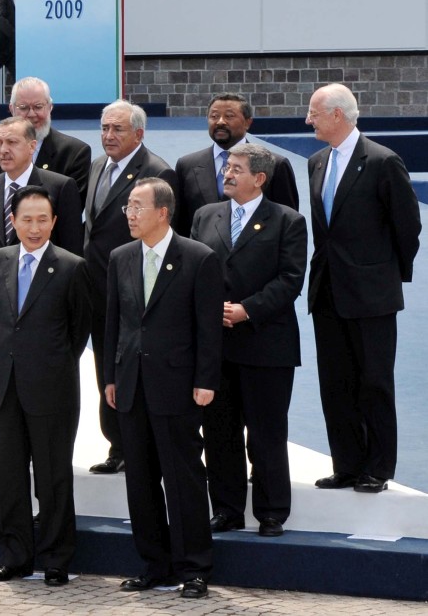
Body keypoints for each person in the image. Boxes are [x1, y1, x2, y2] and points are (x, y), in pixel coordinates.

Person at [105, 178, 221, 599]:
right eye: (127, 207)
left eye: (137, 206)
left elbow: (208, 328)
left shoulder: (198, 258)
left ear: (163, 213)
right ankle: (155, 565)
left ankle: (195, 569)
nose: (130, 214)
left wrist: (205, 380)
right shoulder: (120, 257)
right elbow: (114, 322)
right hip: (131, 384)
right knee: (140, 480)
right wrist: (110, 376)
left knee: (183, 479)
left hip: (177, 386)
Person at [305, 83, 421, 494]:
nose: (308, 119)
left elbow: (408, 226)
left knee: (374, 382)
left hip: (372, 294)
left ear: (337, 115)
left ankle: (378, 467)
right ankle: (347, 464)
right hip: (327, 290)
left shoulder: (382, 161)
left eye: (314, 113)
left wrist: (384, 275)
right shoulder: (317, 162)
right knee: (335, 383)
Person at [0, 186, 91, 586]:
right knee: (9, 476)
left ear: (54, 222)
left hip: (52, 388)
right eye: (26, 219)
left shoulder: (72, 267)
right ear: (13, 221)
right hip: (5, 387)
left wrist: (48, 364)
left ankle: (56, 559)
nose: (35, 227)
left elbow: (78, 330)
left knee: (52, 477)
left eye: (43, 219)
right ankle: (15, 557)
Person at [191, 144, 306, 537]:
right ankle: (227, 509)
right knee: (219, 431)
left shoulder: (288, 221)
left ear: (259, 178)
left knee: (266, 433)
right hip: (217, 346)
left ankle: (272, 512)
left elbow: (290, 280)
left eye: (236, 169)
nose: (227, 174)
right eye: (227, 167)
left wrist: (247, 310)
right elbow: (194, 271)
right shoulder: (206, 215)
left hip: (266, 345)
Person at [0, 117, 83, 473]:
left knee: (44, 411)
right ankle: (5, 462)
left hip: (46, 324)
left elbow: (73, 258)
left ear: (33, 146)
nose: (3, 150)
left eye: (12, 142)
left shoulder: (59, 187)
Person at [85, 100, 177, 475]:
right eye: (104, 128)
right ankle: (117, 445)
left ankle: (140, 446)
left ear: (139, 133)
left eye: (117, 129)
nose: (108, 135)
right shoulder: (97, 166)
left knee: (134, 370)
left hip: (136, 291)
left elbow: (163, 237)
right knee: (105, 367)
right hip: (96, 288)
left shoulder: (157, 172)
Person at [172, 93, 299, 237]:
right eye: (214, 116)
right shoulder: (187, 165)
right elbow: (180, 225)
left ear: (247, 123)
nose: (220, 122)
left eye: (229, 116)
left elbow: (289, 223)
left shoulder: (275, 164)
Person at [0, 77, 93, 205]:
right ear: (12, 109)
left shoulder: (74, 153)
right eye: (23, 107)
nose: (31, 114)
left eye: (38, 107)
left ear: (50, 107)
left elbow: (71, 208)